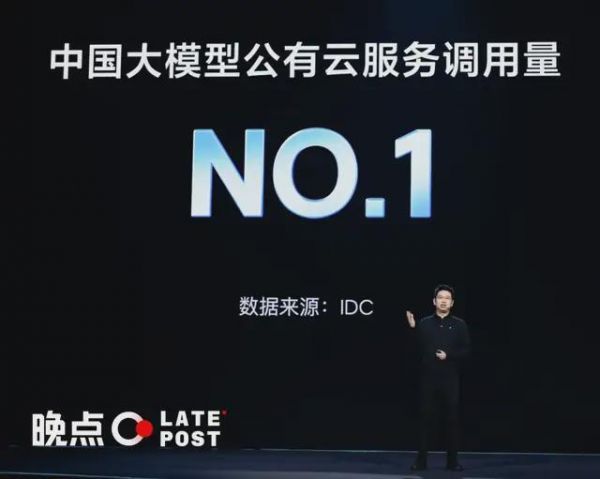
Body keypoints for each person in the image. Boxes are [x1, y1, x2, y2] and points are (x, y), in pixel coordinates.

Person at [406, 284, 470, 471]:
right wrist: (412, 328)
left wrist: (448, 356)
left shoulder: (459, 324)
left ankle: (452, 462)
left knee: (451, 420)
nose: (443, 301)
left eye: (447, 298)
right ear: (434, 301)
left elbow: (466, 350)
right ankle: (421, 461)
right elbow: (413, 348)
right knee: (425, 420)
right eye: (440, 297)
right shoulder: (424, 323)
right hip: (428, 378)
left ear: (452, 303)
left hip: (450, 379)